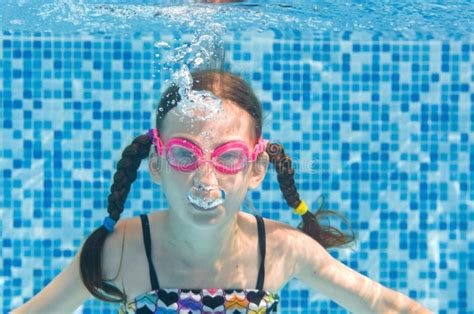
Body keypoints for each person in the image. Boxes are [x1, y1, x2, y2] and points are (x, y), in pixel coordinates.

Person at [12, 70, 431, 313]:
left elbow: (383, 304)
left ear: (256, 168)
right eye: (184, 154)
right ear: (155, 165)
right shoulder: (121, 250)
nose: (205, 180)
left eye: (228, 157)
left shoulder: (282, 249)